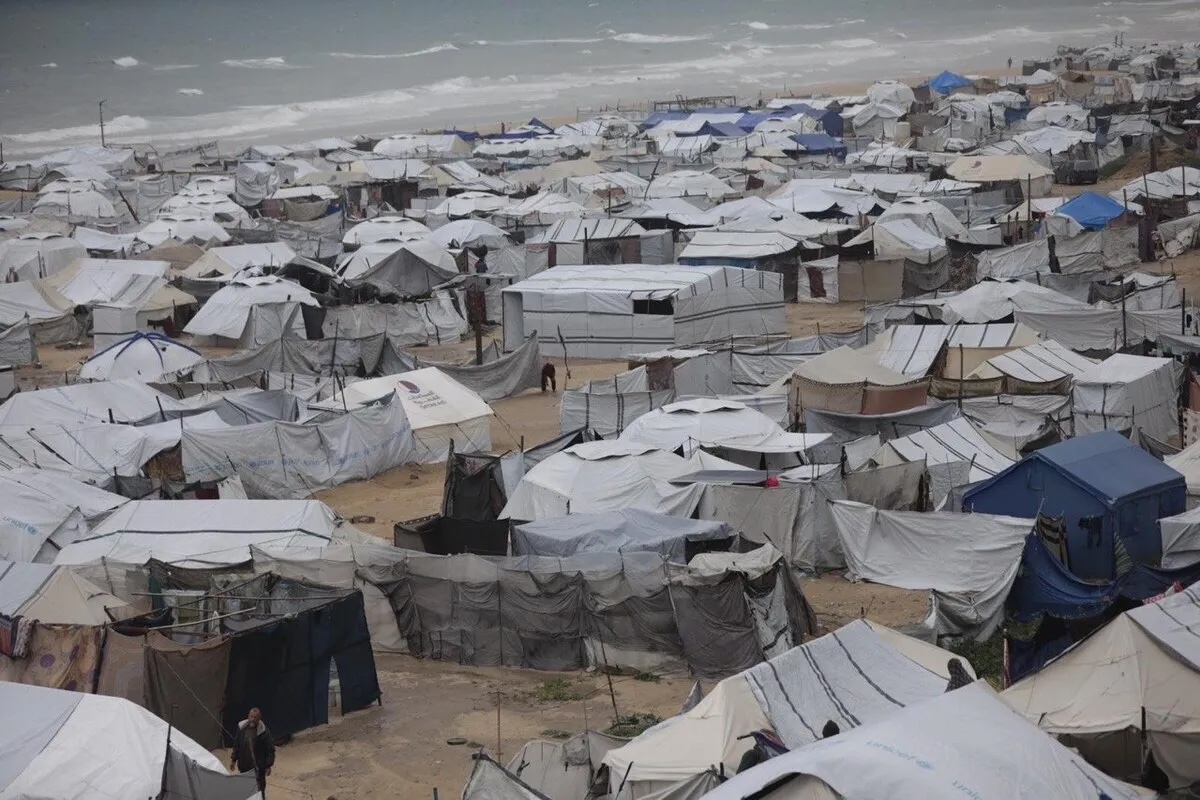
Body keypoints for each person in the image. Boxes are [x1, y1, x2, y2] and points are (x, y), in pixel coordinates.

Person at [230, 707, 275, 797]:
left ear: (259, 719)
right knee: (245, 789)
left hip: (258, 768)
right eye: (251, 717)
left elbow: (270, 750)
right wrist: (233, 760)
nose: (252, 719)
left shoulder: (264, 732)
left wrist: (268, 765)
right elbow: (237, 745)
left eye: (255, 718)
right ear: (248, 716)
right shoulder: (242, 728)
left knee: (259, 791)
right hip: (244, 766)